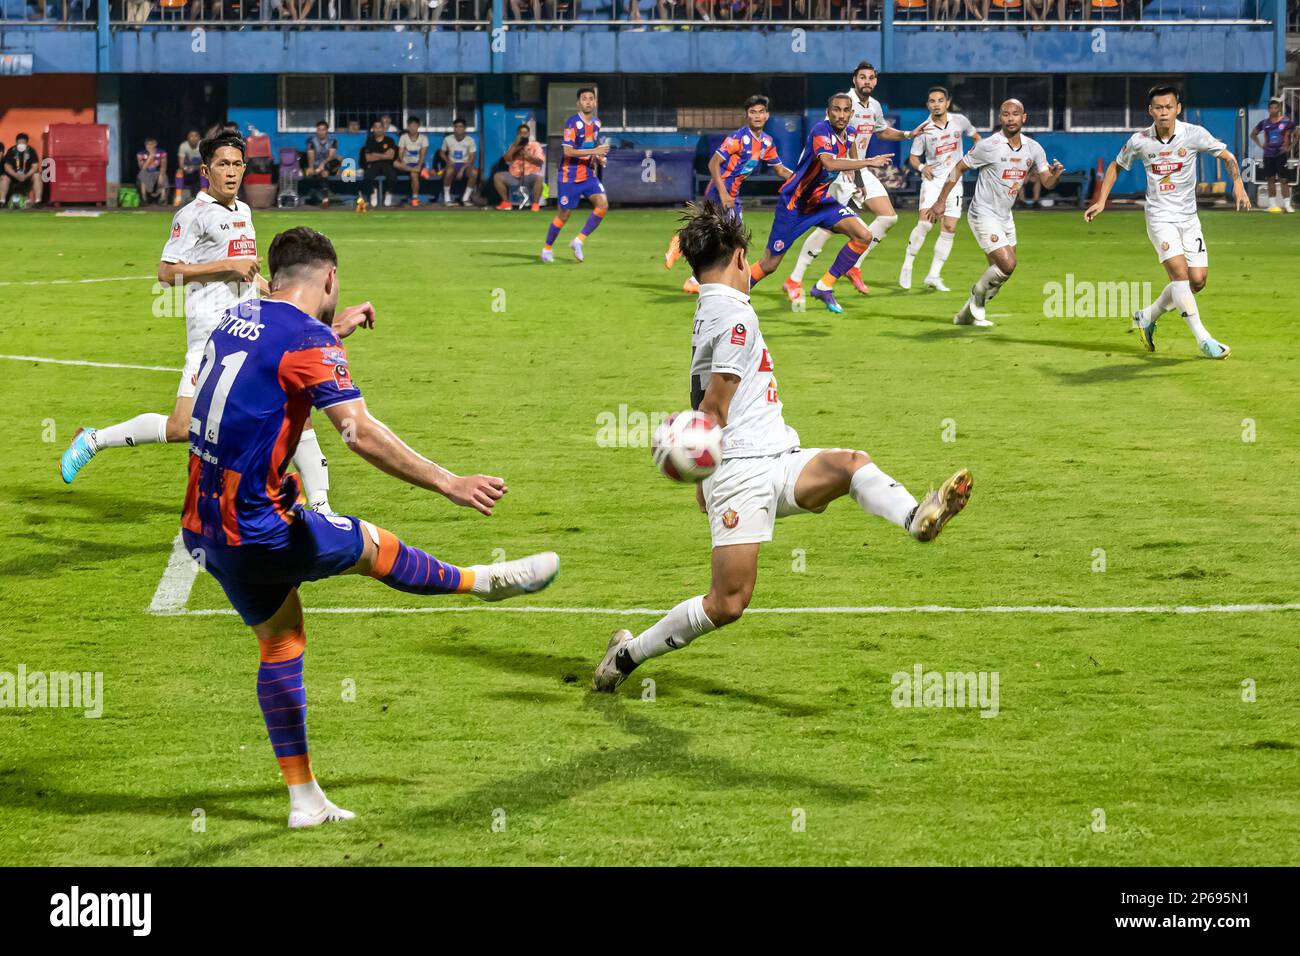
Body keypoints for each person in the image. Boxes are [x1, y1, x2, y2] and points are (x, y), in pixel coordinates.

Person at [180, 226, 559, 827]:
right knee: (367, 544)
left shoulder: (238, 317)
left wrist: (332, 332)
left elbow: (270, 359)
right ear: (329, 278)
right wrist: (447, 480)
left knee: (281, 641)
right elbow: (357, 431)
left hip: (204, 528)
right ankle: (484, 581)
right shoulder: (307, 337)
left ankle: (305, 801)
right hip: (259, 526)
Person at [591, 202, 971, 692]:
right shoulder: (734, 319)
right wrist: (702, 469)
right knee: (728, 603)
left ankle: (916, 517)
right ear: (740, 258)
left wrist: (698, 463)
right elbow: (713, 408)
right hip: (743, 474)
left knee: (851, 465)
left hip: (777, 455)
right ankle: (627, 655)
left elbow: (699, 397)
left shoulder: (712, 306)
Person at [59, 133, 339, 518]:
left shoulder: (243, 211)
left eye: (237, 164)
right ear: (206, 170)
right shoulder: (191, 215)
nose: (231, 172)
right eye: (223, 164)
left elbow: (247, 274)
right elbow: (166, 274)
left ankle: (321, 507)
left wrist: (275, 293)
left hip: (252, 333)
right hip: (211, 342)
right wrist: (227, 267)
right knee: (181, 427)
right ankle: (94, 440)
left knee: (295, 407)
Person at [1085, 85, 1250, 360]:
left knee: (1197, 281)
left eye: (1168, 107)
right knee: (1179, 276)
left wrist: (1238, 183)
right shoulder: (1140, 140)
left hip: (1188, 217)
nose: (1163, 113)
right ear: (1151, 110)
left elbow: (1227, 156)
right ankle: (1204, 340)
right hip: (1160, 217)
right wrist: (1102, 200)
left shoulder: (1193, 134)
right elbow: (1115, 165)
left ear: (1178, 109)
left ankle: (1146, 316)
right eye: (1158, 108)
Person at [786, 63, 926, 301]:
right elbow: (830, 136)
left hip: (859, 167)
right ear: (854, 80)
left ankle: (853, 264)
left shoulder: (875, 106)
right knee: (827, 228)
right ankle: (795, 279)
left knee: (888, 216)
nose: (867, 82)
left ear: (875, 82)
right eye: (862, 77)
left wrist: (907, 134)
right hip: (838, 171)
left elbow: (881, 131)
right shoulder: (844, 104)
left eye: (871, 78)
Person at [925, 98, 1064, 328]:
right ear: (1000, 118)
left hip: (1005, 216)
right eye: (1006, 114)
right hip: (983, 213)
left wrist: (1055, 175)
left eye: (1015, 114)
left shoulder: (1033, 148)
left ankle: (965, 316)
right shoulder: (988, 146)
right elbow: (958, 167)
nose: (1011, 118)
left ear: (1024, 118)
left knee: (1001, 273)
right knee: (1007, 264)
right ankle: (976, 296)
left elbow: (1046, 182)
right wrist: (941, 201)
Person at [746, 94, 887, 315]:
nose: (841, 115)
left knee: (863, 235)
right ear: (828, 112)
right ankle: (735, 294)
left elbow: (852, 158)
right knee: (769, 265)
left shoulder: (850, 133)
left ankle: (824, 286)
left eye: (845, 110)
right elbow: (829, 163)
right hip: (795, 204)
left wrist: (860, 183)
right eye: (836, 110)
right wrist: (870, 161)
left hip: (821, 202)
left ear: (851, 113)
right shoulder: (821, 131)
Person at [666, 94, 793, 294]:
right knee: (733, 238)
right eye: (753, 112)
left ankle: (683, 250)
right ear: (746, 116)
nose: (757, 116)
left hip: (732, 194)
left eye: (761, 112)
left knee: (718, 234)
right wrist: (724, 194)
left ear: (767, 116)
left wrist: (802, 180)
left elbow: (780, 170)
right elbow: (713, 163)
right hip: (721, 190)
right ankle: (710, 276)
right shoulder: (737, 138)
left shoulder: (767, 143)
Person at [900, 87, 979, 293]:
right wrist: (921, 167)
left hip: (954, 179)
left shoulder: (960, 121)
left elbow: (976, 138)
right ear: (928, 105)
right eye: (932, 101)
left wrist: (973, 156)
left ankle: (933, 275)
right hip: (933, 180)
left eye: (940, 100)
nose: (936, 104)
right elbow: (914, 158)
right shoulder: (924, 129)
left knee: (950, 228)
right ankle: (908, 264)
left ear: (947, 103)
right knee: (925, 224)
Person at [541, 88, 610, 263]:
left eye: (591, 98)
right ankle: (547, 249)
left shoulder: (596, 123)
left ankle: (578, 241)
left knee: (602, 205)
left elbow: (590, 145)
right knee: (564, 214)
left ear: (595, 102)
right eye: (584, 99)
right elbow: (568, 151)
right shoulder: (572, 123)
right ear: (578, 103)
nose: (588, 101)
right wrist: (596, 150)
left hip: (587, 173)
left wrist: (598, 157)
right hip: (569, 175)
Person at [1250, 97, 1295, 213]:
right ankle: (1272, 205)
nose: (1273, 110)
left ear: (1278, 109)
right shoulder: (1264, 123)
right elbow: (1253, 134)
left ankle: (1287, 205)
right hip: (1268, 155)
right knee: (1270, 179)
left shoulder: (1286, 121)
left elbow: (1297, 132)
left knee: (1284, 179)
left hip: (1281, 154)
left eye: (1275, 107)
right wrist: (1261, 145)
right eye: (1271, 108)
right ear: (1268, 109)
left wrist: (1290, 146)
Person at [493, 123, 545, 211]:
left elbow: (540, 162)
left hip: (529, 176)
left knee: (539, 178)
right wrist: (515, 146)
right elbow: (506, 159)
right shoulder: (513, 145)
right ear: (518, 134)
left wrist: (529, 156)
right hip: (514, 177)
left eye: (525, 133)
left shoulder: (535, 145)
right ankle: (506, 203)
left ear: (528, 134)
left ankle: (535, 205)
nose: (523, 135)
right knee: (497, 176)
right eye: (521, 133)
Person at [438, 118, 478, 206]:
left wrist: (462, 170)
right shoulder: (447, 139)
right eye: (456, 127)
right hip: (452, 164)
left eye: (461, 127)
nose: (458, 128)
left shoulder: (470, 140)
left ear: (464, 128)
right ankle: (447, 199)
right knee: (449, 171)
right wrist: (447, 161)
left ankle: (466, 198)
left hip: (465, 165)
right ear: (454, 128)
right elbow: (442, 153)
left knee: (474, 172)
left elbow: (472, 157)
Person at [360, 120, 398, 208]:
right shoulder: (370, 141)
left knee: (393, 176)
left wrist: (375, 154)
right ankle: (373, 192)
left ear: (383, 129)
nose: (378, 129)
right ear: (373, 129)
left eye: (379, 127)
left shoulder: (389, 140)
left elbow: (390, 156)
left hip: (387, 164)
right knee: (367, 176)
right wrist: (384, 155)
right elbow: (368, 158)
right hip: (374, 165)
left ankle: (389, 193)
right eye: (376, 127)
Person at [0, 133, 43, 208]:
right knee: (4, 177)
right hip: (13, 177)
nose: (21, 144)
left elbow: (35, 166)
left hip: (27, 177)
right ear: (16, 142)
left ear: (26, 143)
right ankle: (2, 201)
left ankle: (38, 201)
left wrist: (26, 176)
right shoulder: (11, 150)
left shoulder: (31, 151)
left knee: (37, 176)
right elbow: (7, 166)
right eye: (19, 143)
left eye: (23, 143)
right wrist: (16, 175)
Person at [304, 120, 340, 206]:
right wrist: (311, 167)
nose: (321, 132)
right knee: (324, 173)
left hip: (329, 164)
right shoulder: (311, 141)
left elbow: (331, 156)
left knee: (338, 159)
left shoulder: (333, 141)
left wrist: (322, 164)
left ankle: (323, 197)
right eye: (319, 129)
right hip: (317, 167)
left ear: (327, 131)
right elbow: (310, 156)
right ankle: (325, 198)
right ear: (316, 130)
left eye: (323, 129)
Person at [395, 116, 429, 207]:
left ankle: (415, 199)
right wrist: (402, 162)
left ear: (418, 126)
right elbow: (400, 152)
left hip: (418, 164)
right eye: (411, 126)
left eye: (415, 126)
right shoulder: (403, 137)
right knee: (395, 163)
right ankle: (421, 171)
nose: (413, 128)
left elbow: (423, 154)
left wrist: (419, 165)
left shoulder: (423, 138)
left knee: (414, 174)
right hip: (406, 164)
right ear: (408, 127)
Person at [137, 138, 169, 205]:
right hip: (146, 173)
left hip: (157, 173)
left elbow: (163, 166)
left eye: (151, 144)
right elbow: (142, 168)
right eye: (147, 144)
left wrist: (161, 175)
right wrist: (150, 156)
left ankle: (162, 199)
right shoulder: (141, 154)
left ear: (155, 144)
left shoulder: (161, 152)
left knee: (164, 176)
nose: (149, 146)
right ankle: (144, 198)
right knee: (142, 175)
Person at [176, 130, 203, 204]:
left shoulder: (202, 145)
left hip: (199, 168)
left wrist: (195, 168)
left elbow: (206, 162)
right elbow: (181, 164)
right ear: (188, 137)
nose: (194, 138)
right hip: (187, 168)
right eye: (191, 136)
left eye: (196, 136)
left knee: (204, 170)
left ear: (199, 137)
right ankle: (178, 198)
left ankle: (205, 194)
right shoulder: (183, 146)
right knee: (179, 171)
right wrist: (185, 168)